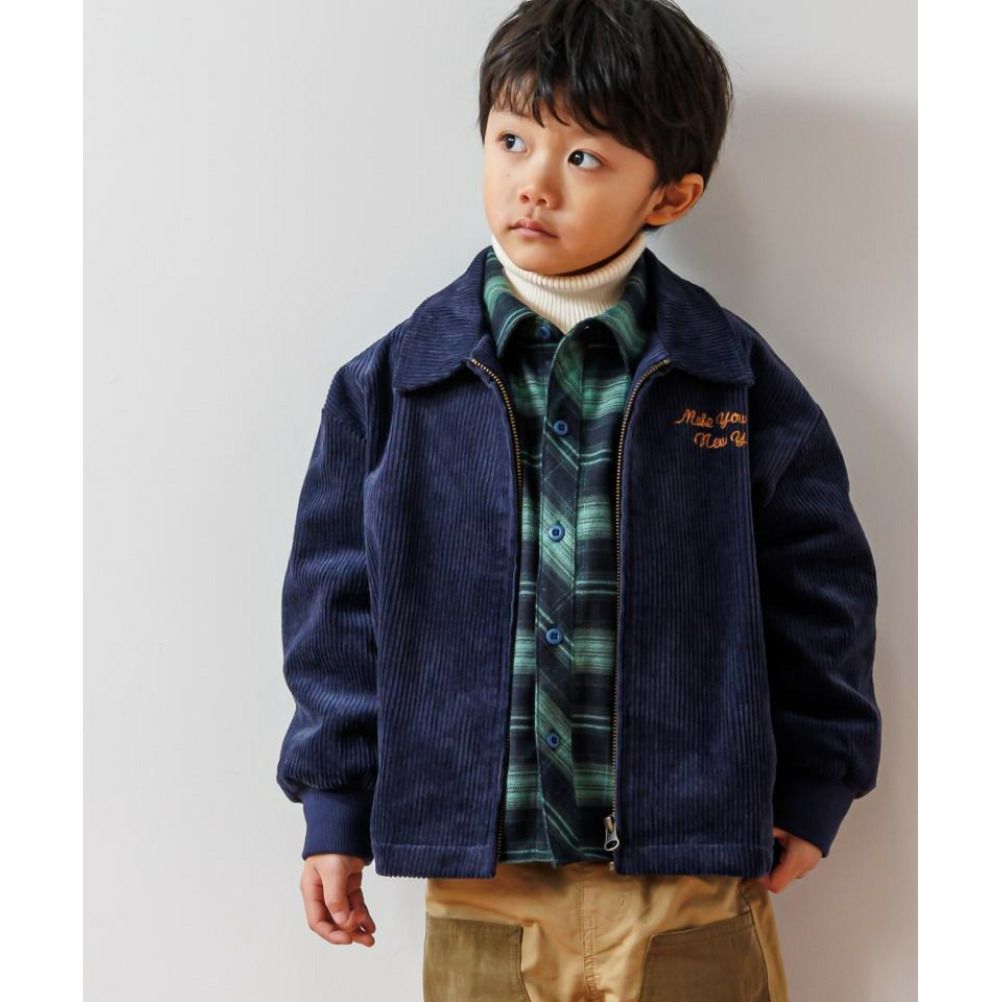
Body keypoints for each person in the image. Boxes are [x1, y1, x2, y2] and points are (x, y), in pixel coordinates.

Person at [275, 1, 882, 998]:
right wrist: (335, 807)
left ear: (670, 195)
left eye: (585, 157)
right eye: (511, 140)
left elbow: (821, 592)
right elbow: (334, 614)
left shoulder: (732, 380)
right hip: (482, 871)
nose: (534, 182)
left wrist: (819, 782)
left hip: (692, 864)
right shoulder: (393, 387)